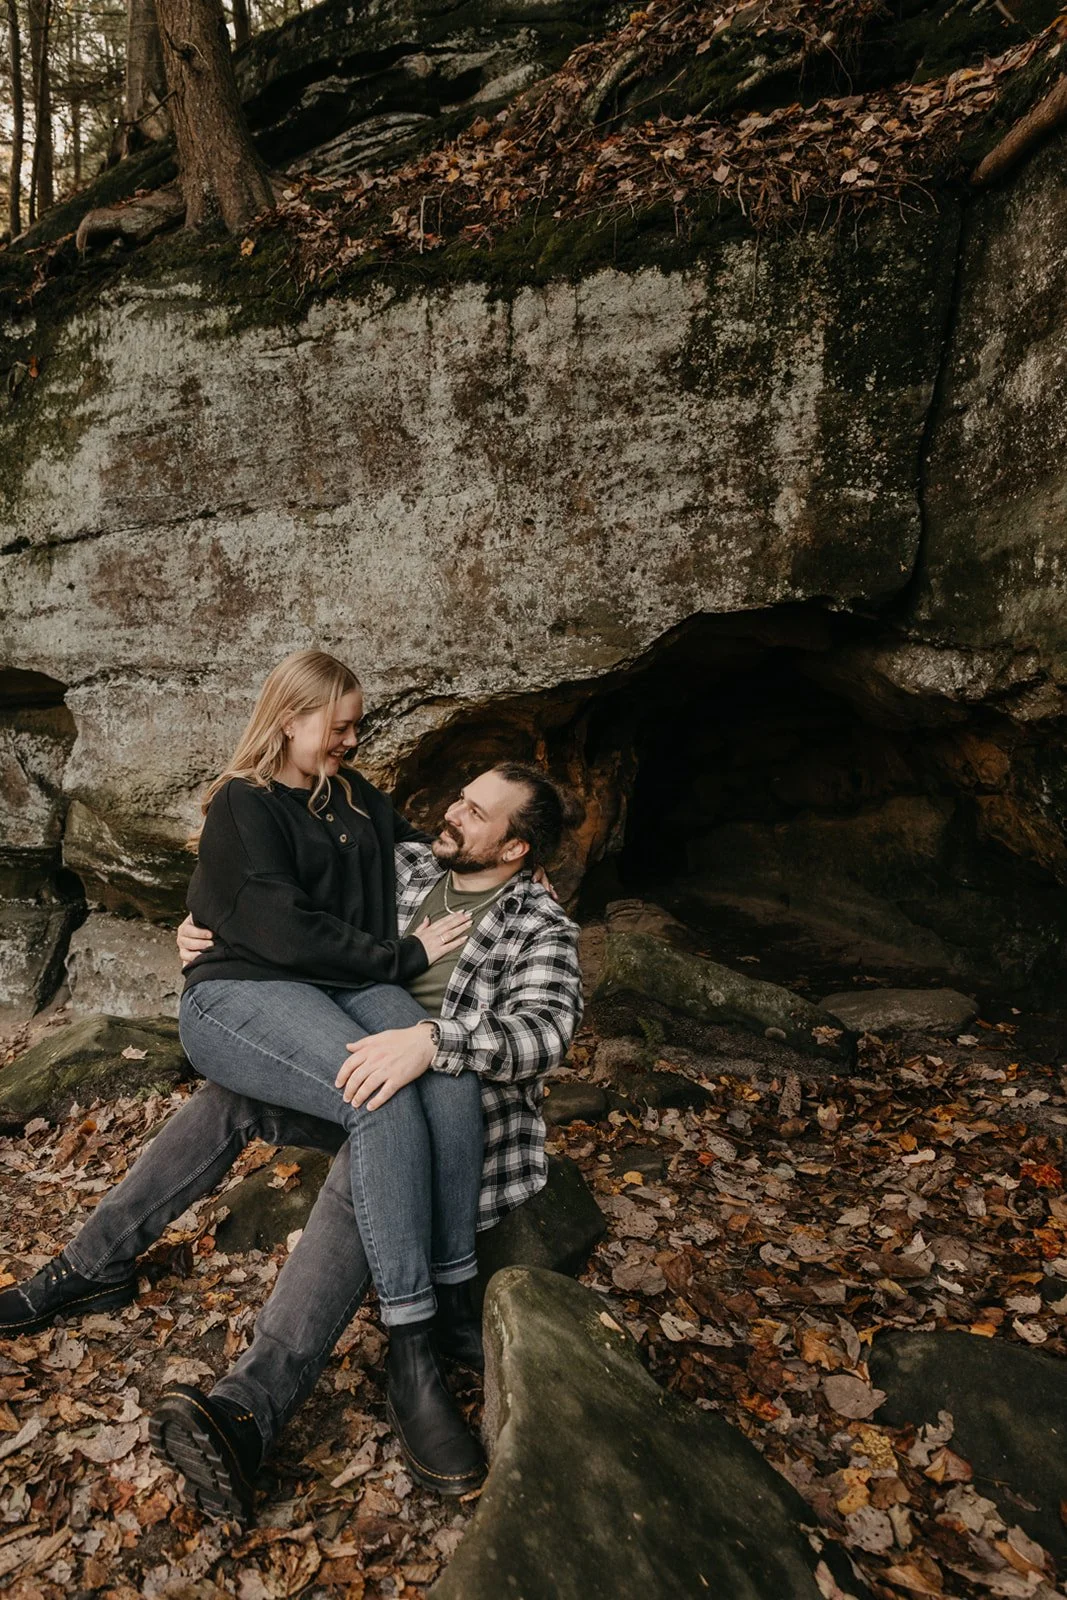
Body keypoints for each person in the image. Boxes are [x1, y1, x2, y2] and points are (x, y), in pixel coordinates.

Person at [0, 655, 584, 1519]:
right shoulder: (412, 864)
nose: (449, 814)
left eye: (473, 811)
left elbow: (545, 1036)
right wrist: (208, 924)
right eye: (457, 800)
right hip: (347, 1050)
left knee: (392, 1106)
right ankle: (92, 1266)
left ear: (517, 848)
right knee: (274, 1096)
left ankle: (275, 1396)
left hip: (453, 1110)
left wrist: (432, 1041)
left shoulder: (537, 922)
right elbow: (289, 902)